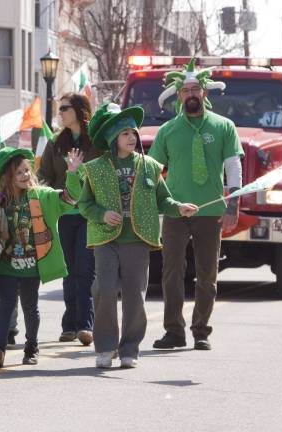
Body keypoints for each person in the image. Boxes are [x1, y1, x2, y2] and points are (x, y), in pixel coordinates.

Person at [78, 103, 197, 369]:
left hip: (138, 238)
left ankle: (130, 348)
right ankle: (106, 347)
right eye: (125, 134)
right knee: (105, 290)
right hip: (106, 238)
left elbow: (163, 198)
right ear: (112, 139)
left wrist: (178, 207)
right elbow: (84, 204)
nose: (132, 138)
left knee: (135, 295)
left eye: (134, 133)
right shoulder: (95, 169)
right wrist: (102, 214)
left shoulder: (150, 166)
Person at [149, 59, 244, 351]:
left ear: (204, 93)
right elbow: (152, 169)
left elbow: (233, 167)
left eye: (195, 89)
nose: (190, 94)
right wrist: (153, 204)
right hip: (176, 211)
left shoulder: (224, 126)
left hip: (211, 211)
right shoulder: (167, 130)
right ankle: (174, 332)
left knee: (207, 274)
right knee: (171, 272)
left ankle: (201, 331)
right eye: (185, 90)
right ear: (179, 95)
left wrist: (232, 206)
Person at [0, 146, 83, 368]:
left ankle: (31, 347)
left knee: (30, 306)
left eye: (26, 171)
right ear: (7, 177)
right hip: (6, 265)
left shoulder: (43, 196)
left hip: (32, 266)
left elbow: (69, 199)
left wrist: (73, 172)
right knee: (5, 305)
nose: (24, 176)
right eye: (18, 172)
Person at [38, 92, 102, 346]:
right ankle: (69, 325)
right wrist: (44, 197)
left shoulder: (96, 142)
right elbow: (43, 175)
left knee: (85, 270)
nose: (60, 112)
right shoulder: (55, 142)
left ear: (78, 110)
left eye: (65, 108)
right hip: (63, 215)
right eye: (59, 108)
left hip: (89, 214)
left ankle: (85, 324)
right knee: (68, 270)